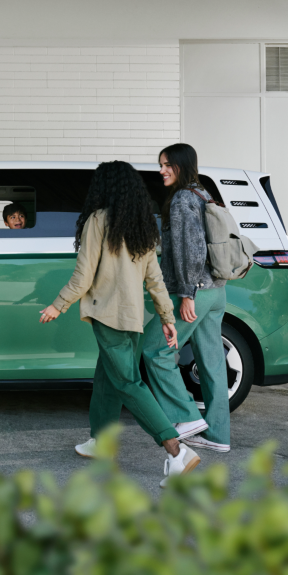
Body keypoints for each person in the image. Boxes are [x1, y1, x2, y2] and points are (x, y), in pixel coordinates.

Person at [39, 160, 200, 488]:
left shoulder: (99, 220)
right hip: (132, 317)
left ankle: (176, 451)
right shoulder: (142, 223)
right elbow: (155, 279)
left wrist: (59, 304)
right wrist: (167, 318)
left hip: (108, 316)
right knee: (108, 377)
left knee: (128, 382)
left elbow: (84, 275)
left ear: (104, 187)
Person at [141, 143, 231, 453]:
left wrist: (187, 294)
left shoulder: (181, 199)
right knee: (212, 364)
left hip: (196, 291)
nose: (162, 170)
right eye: (161, 164)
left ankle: (186, 418)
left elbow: (191, 250)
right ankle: (218, 436)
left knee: (155, 350)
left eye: (168, 165)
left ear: (182, 165)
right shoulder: (203, 193)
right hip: (216, 290)